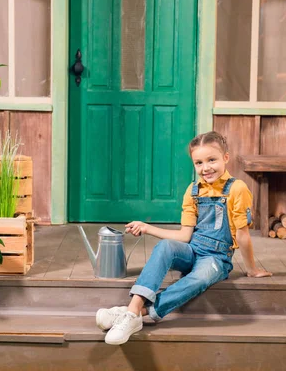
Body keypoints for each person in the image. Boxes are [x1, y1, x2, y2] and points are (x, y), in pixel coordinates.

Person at [96, 131, 272, 345]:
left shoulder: (237, 189)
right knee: (165, 247)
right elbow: (184, 235)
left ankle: (135, 314)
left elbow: (243, 235)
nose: (205, 168)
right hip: (192, 251)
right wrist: (147, 227)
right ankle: (133, 311)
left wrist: (252, 269)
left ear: (225, 158)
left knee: (200, 278)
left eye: (211, 160)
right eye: (198, 163)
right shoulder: (193, 190)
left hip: (216, 259)